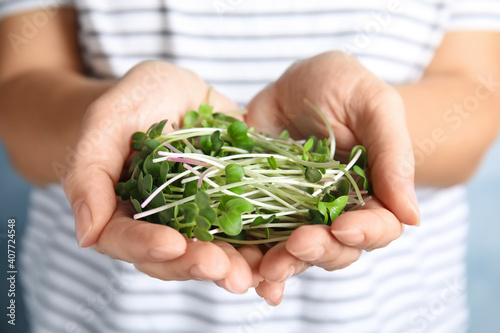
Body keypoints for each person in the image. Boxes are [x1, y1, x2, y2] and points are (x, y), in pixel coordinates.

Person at [0, 1, 499, 332]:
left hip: (391, 313)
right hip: (101, 312)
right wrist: (103, 121)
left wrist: (374, 129)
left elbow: (478, 97)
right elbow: (18, 96)